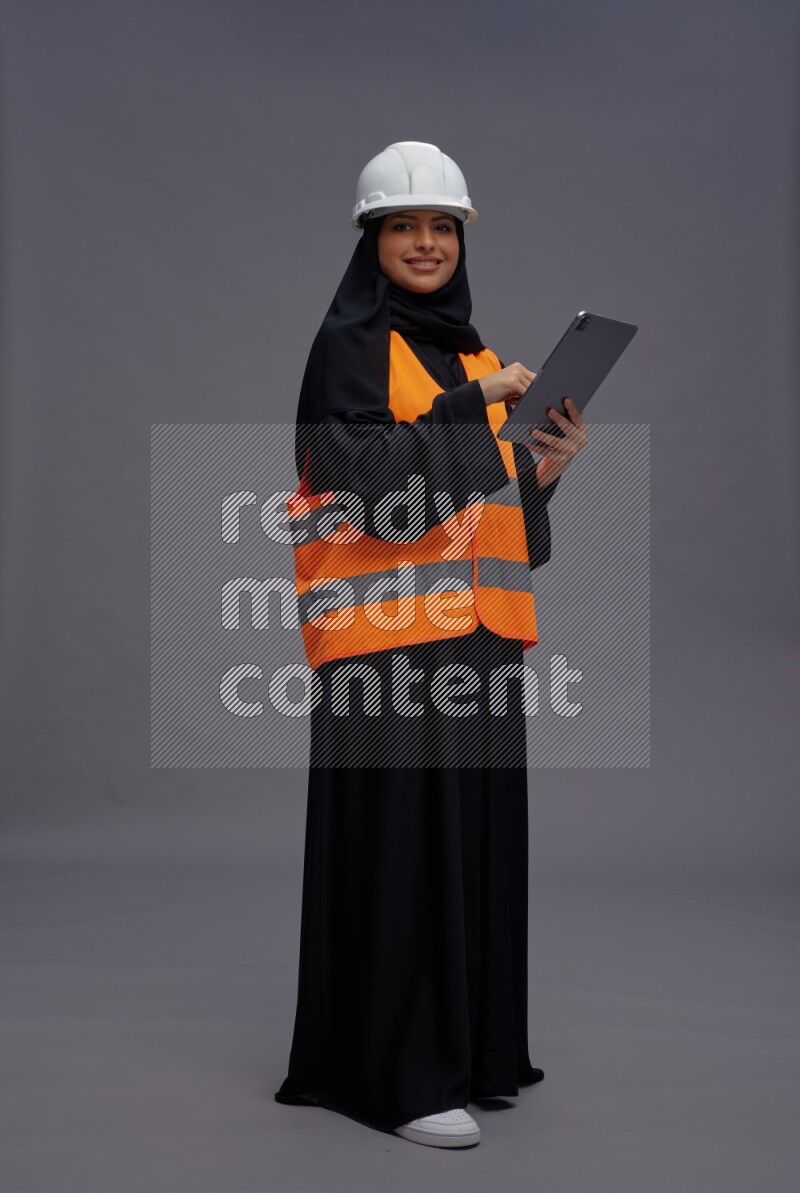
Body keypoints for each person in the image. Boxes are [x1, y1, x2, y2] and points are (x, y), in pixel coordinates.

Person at [274, 141, 587, 1148]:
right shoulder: (350, 343)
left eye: (439, 227)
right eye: (403, 225)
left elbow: (490, 519)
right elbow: (366, 479)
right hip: (383, 649)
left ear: (459, 242)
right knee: (405, 856)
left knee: (470, 848)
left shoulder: (472, 353)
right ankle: (396, 1075)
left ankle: (469, 1054)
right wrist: (479, 408)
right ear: (372, 240)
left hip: (477, 638)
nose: (423, 242)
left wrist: (544, 467)